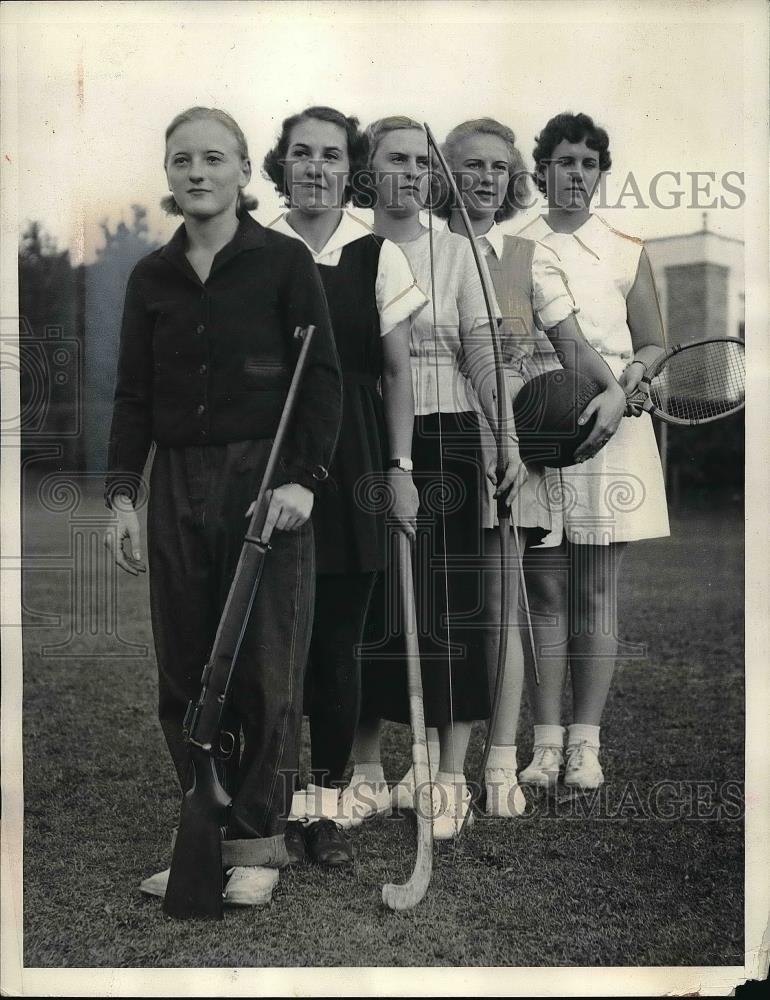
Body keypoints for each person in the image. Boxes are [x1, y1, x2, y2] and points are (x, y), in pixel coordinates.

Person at [104, 106, 342, 905]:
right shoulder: (150, 277)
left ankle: (258, 849)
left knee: (262, 669)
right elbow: (133, 397)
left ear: (244, 171)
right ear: (167, 174)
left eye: (213, 158)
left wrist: (304, 478)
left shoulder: (283, 262)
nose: (196, 172)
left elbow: (323, 382)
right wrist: (121, 499)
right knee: (185, 671)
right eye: (181, 160)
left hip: (264, 482)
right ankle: (201, 831)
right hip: (174, 483)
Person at [346, 116, 528, 839]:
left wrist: (506, 440)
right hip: (363, 438)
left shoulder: (460, 253)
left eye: (423, 162)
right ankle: (363, 771)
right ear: (369, 171)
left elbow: (483, 355)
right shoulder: (347, 252)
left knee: (450, 608)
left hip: (448, 437)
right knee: (367, 605)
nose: (412, 173)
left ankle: (448, 778)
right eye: (396, 160)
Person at [262, 106, 425, 865]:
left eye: (332, 155)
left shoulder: (378, 253)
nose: (317, 167)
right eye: (303, 153)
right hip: (268, 460)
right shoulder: (254, 246)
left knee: (336, 646)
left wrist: (400, 470)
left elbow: (396, 375)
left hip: (358, 459)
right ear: (281, 163)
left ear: (349, 167)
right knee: (271, 645)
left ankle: (322, 810)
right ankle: (261, 804)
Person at [515, 111, 670, 790]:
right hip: (545, 426)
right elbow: (521, 340)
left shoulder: (628, 247)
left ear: (601, 172)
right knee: (545, 589)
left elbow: (655, 342)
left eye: (588, 163)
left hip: (617, 428)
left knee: (597, 591)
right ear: (540, 167)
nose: (575, 175)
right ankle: (545, 744)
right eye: (564, 161)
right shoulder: (514, 248)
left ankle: (585, 744)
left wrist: (632, 383)